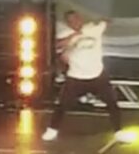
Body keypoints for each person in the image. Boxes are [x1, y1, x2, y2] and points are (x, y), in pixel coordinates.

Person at [43, 9, 118, 143]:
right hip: (76, 77)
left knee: (112, 103)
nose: (75, 22)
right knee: (62, 105)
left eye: (77, 19)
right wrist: (74, 37)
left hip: (97, 75)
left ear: (81, 19)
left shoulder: (92, 29)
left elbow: (105, 22)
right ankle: (52, 130)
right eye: (71, 21)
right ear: (68, 23)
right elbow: (57, 45)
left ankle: (119, 131)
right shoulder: (66, 34)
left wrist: (105, 20)